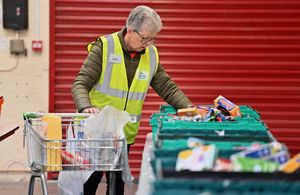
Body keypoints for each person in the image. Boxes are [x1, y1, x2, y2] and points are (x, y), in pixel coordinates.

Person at [71, 5, 192, 195]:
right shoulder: (105, 47)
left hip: (122, 134)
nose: (149, 43)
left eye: (153, 38)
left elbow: (167, 86)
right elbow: (80, 83)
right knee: (89, 183)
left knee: (117, 185)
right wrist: (85, 107)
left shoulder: (151, 55)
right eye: (145, 38)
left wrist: (188, 108)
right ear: (130, 30)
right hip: (96, 133)